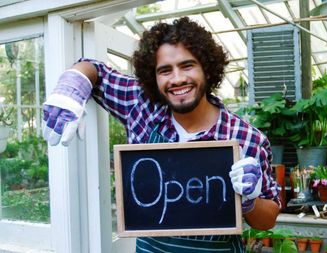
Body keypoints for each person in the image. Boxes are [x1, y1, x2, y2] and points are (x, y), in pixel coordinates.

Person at [42, 17, 280, 252]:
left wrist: (250, 200)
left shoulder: (248, 138)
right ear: (153, 77)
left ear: (207, 69)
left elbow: (267, 219)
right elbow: (93, 69)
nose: (177, 79)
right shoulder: (140, 107)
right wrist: (72, 86)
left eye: (187, 65)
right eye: (165, 70)